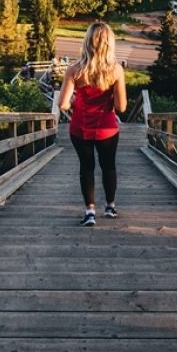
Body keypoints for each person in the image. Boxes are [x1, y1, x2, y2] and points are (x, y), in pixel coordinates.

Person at [56, 22, 128, 227]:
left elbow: (62, 104)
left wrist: (73, 102)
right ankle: (111, 207)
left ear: (87, 42)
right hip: (107, 129)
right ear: (109, 44)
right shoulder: (116, 71)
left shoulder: (74, 70)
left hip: (80, 128)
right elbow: (121, 107)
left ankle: (89, 212)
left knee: (86, 168)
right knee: (108, 166)